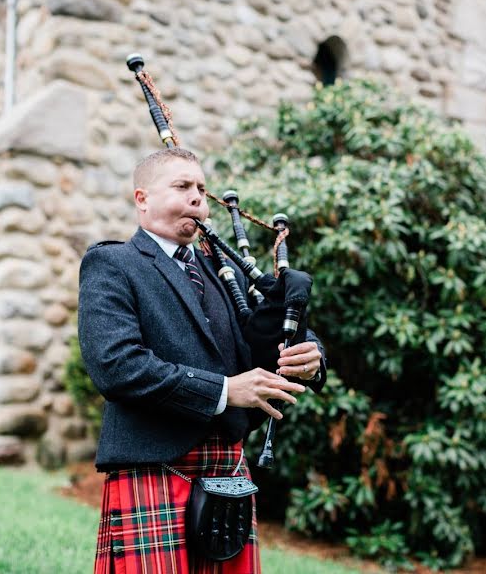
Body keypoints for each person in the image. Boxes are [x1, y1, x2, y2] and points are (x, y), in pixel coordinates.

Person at [78, 146, 327, 574]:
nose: (198, 197)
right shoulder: (113, 264)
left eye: (201, 188)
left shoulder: (223, 271)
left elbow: (266, 330)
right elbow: (116, 366)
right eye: (182, 186)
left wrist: (310, 353)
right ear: (143, 199)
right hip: (152, 466)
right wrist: (226, 390)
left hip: (226, 469)